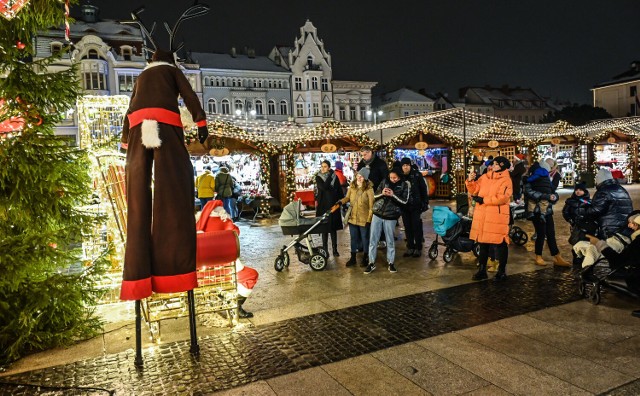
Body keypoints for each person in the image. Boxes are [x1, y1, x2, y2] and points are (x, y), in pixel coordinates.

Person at [119, 48, 209, 300]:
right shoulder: (172, 70)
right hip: (165, 125)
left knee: (137, 200)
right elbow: (190, 96)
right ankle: (173, 274)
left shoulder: (141, 77)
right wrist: (201, 123)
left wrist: (126, 142)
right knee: (172, 191)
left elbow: (129, 108)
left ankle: (137, 278)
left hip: (138, 128)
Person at [196, 200, 258, 318]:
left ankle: (224, 298)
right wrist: (229, 220)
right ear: (221, 212)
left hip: (201, 276)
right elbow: (236, 235)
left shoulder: (198, 225)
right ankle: (234, 305)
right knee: (251, 275)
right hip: (225, 272)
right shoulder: (224, 222)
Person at [465, 156, 512, 281]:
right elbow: (475, 190)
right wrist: (470, 181)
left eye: (495, 164)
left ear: (502, 166)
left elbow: (503, 198)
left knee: (500, 243)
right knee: (483, 243)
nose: (492, 166)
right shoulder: (485, 177)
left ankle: (501, 271)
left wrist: (484, 200)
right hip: (482, 215)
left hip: (497, 216)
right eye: (493, 164)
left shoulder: (506, 180)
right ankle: (482, 270)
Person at [587, 212, 640, 318]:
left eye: (631, 223)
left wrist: (599, 244)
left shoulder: (638, 242)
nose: (629, 226)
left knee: (616, 276)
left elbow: (618, 261)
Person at [524, 159, 570, 267]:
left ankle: (557, 256)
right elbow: (530, 193)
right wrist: (546, 196)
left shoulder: (546, 179)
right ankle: (538, 256)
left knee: (551, 233)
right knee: (541, 233)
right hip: (536, 211)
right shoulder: (529, 180)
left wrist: (554, 197)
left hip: (547, 210)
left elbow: (552, 191)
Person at [365, 169, 410, 274]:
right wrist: (382, 193)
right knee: (373, 239)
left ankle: (391, 262)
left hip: (391, 216)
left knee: (390, 240)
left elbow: (405, 201)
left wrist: (393, 195)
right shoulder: (385, 181)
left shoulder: (404, 185)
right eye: (391, 177)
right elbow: (374, 196)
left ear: (399, 177)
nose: (392, 180)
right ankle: (371, 263)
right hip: (378, 213)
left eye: (395, 178)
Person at [576, 168, 634, 239]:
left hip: (610, 229)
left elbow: (596, 210)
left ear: (599, 180)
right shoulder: (621, 189)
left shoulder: (603, 191)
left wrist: (582, 211)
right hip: (625, 228)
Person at [339, 168, 374, 267]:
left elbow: (371, 207)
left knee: (365, 238)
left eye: (361, 176)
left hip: (364, 219)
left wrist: (369, 219)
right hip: (353, 217)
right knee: (353, 238)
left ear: (365, 178)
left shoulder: (369, 189)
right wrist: (341, 201)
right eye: (358, 175)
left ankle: (365, 257)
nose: (359, 177)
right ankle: (353, 258)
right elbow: (347, 198)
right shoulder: (352, 186)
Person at [399, 157, 429, 257]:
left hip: (416, 205)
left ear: (410, 165)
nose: (405, 167)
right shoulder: (400, 176)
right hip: (404, 206)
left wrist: (425, 202)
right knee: (407, 227)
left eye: (407, 165)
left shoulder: (417, 175)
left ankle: (418, 247)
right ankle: (410, 247)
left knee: (416, 226)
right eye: (403, 165)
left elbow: (423, 189)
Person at [315, 160, 344, 256]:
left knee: (333, 228)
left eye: (325, 166)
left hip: (333, 205)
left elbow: (339, 189)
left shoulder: (335, 177)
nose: (323, 168)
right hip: (323, 205)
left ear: (329, 167)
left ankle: (335, 250)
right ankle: (325, 250)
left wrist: (341, 201)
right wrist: (330, 176)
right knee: (324, 229)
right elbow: (324, 187)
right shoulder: (318, 177)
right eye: (322, 166)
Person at [562, 182, 592, 267]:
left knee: (585, 242)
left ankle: (584, 258)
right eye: (576, 190)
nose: (578, 192)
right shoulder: (570, 201)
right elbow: (565, 212)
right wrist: (570, 220)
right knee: (575, 241)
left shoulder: (588, 202)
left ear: (584, 191)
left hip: (586, 226)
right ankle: (576, 259)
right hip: (575, 226)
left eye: (580, 190)